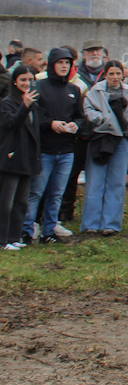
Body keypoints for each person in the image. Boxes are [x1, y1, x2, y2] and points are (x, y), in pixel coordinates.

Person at [27, 48, 84, 243]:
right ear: (52, 64)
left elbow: (80, 116)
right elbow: (34, 116)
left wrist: (76, 125)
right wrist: (50, 124)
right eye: (60, 63)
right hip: (45, 150)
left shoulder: (73, 90)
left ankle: (49, 230)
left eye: (67, 63)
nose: (64, 66)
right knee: (36, 191)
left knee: (57, 193)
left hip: (66, 150)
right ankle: (28, 229)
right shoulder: (39, 86)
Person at [81, 61, 128, 235]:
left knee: (116, 182)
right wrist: (104, 121)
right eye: (111, 74)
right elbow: (88, 110)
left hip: (121, 141)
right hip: (100, 138)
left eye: (118, 74)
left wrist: (125, 122)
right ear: (105, 74)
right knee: (95, 182)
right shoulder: (95, 91)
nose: (115, 77)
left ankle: (111, 224)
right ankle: (91, 224)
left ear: (123, 75)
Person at [0, 67, 41, 249]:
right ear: (15, 82)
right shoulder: (7, 103)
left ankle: (14, 237)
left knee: (21, 201)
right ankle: (2, 239)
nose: (27, 83)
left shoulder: (33, 103)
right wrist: (24, 107)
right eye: (23, 80)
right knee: (5, 202)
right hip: (11, 157)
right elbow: (11, 124)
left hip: (27, 158)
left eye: (30, 80)